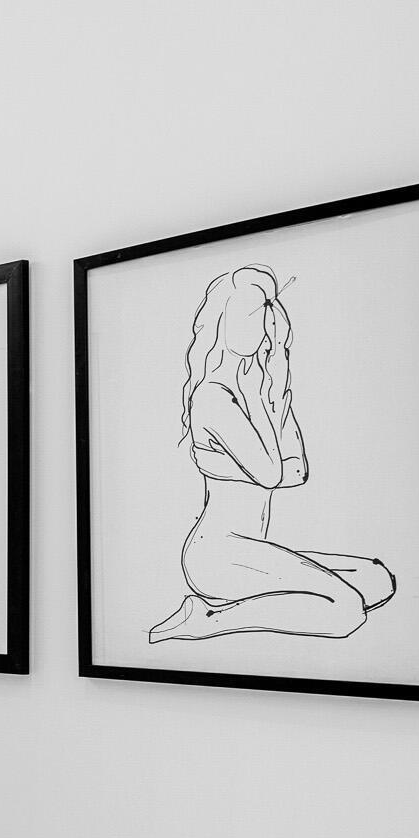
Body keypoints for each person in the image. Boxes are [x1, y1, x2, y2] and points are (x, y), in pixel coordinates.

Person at [147, 266, 393, 642]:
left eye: (267, 322)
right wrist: (269, 406)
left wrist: (273, 394)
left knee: (377, 581)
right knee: (346, 610)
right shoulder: (212, 398)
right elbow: (269, 474)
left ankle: (244, 605)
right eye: (255, 321)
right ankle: (208, 618)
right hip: (216, 555)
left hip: (252, 550)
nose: (265, 337)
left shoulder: (261, 394)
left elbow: (296, 473)